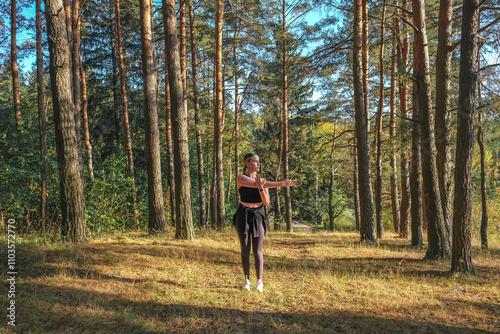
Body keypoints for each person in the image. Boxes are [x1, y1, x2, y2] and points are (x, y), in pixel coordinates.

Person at [233, 153, 297, 292]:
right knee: (245, 249)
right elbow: (253, 184)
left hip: (258, 216)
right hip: (243, 215)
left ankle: (259, 281)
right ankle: (247, 281)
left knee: (257, 250)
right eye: (255, 161)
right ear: (247, 163)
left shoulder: (263, 182)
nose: (258, 164)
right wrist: (281, 183)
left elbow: (266, 202)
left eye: (259, 162)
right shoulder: (240, 178)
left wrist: (262, 187)